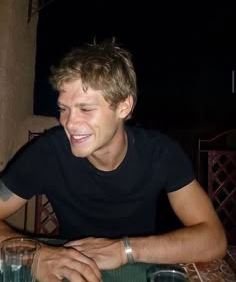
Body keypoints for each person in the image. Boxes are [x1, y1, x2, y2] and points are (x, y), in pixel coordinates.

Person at [0, 39, 227, 282]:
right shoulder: (48, 152)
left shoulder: (160, 153)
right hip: (71, 271)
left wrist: (125, 250)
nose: (69, 123)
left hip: (139, 268)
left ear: (124, 106)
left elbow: (214, 239)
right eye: (64, 109)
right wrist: (36, 256)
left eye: (85, 109)